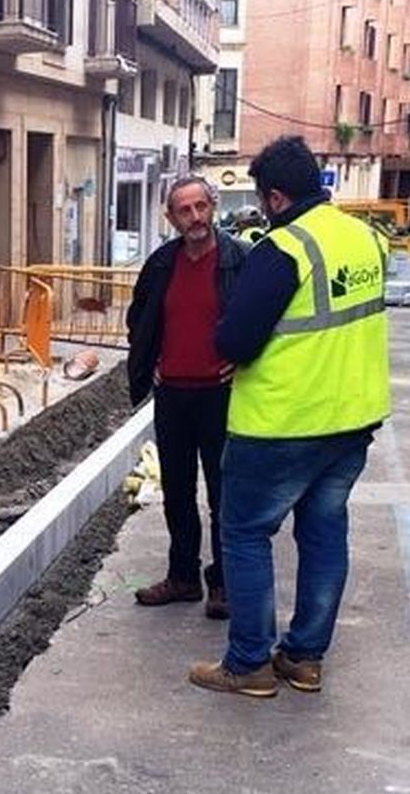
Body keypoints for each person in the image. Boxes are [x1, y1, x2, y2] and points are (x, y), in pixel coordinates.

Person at [188, 135, 391, 698]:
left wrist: (229, 340)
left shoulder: (284, 250)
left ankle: (249, 662)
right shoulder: (366, 240)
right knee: (325, 533)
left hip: (282, 422)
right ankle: (303, 658)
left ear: (274, 198)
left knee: (245, 533)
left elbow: (235, 338)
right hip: (350, 420)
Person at [125, 177, 249, 619]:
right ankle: (183, 578)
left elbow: (263, 319)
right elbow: (139, 317)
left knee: (223, 493)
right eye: (185, 210)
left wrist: (247, 360)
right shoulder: (161, 264)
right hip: (173, 395)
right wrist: (150, 358)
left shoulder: (239, 260)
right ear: (170, 217)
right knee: (177, 490)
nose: (195, 217)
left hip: (222, 396)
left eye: (201, 207)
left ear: (212, 207)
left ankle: (223, 585)